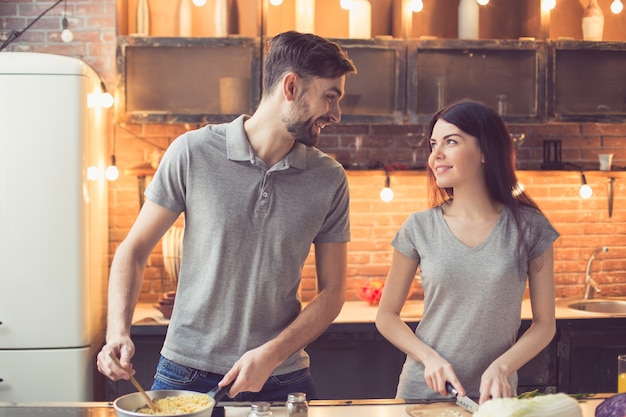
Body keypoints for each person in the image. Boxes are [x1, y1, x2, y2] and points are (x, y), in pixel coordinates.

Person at [97, 31, 357, 402]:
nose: (336, 114)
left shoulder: (329, 178)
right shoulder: (193, 152)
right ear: (291, 86)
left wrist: (270, 354)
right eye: (330, 96)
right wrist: (117, 331)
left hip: (282, 378)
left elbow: (333, 293)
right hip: (186, 371)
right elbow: (134, 249)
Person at [375, 99, 559, 405]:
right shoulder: (419, 227)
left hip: (494, 399)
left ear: (486, 150)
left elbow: (545, 324)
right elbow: (386, 316)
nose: (436, 156)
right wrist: (429, 358)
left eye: (451, 142)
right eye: (433, 144)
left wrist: (503, 366)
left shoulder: (530, 227)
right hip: (422, 395)